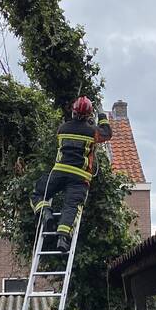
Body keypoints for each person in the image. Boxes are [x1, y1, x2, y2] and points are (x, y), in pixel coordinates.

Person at [30, 96, 112, 252]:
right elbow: (107, 133)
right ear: (89, 115)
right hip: (80, 177)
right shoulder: (92, 132)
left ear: (73, 112)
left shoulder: (62, 129)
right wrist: (101, 113)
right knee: (71, 206)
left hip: (59, 172)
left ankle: (46, 213)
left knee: (38, 193)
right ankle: (62, 238)